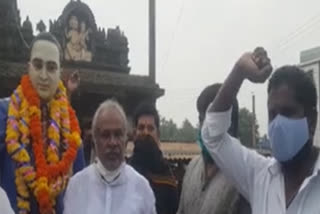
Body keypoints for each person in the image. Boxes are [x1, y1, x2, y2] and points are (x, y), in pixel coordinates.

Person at [202, 47, 320, 213]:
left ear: (311, 120)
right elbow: (212, 136)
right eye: (273, 114)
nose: (278, 124)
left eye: (288, 113)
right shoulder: (260, 176)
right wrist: (240, 71)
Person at [0, 32, 85, 214]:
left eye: (52, 67)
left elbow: (80, 191)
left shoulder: (71, 128)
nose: (44, 76)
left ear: (60, 72)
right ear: (28, 67)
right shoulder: (4, 113)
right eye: (38, 66)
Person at [63, 100, 156, 214]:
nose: (113, 143)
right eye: (106, 135)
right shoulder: (77, 186)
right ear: (95, 140)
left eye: (118, 134)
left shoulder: (142, 189)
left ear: (126, 140)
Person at [177, 83, 251, 214]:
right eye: (201, 120)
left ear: (230, 126)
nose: (203, 129)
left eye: (210, 124)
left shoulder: (244, 177)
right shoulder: (192, 167)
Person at [129, 103, 179, 214]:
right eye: (141, 127)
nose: (146, 132)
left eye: (150, 128)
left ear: (158, 135)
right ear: (134, 134)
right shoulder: (125, 173)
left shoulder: (168, 178)